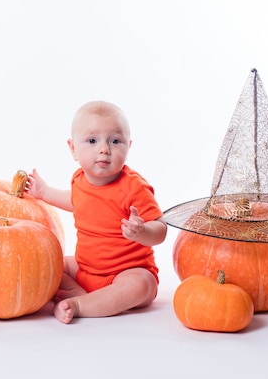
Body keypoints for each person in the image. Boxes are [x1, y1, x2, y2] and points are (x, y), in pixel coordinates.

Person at [26, 100, 167, 324]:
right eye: (92, 141)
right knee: (52, 265)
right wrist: (44, 192)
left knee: (143, 284)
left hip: (126, 273)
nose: (104, 149)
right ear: (73, 149)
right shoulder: (79, 180)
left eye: (115, 141)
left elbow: (160, 230)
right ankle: (79, 293)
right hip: (84, 269)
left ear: (128, 147)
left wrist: (142, 232)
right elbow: (74, 202)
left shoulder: (134, 187)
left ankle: (81, 305)